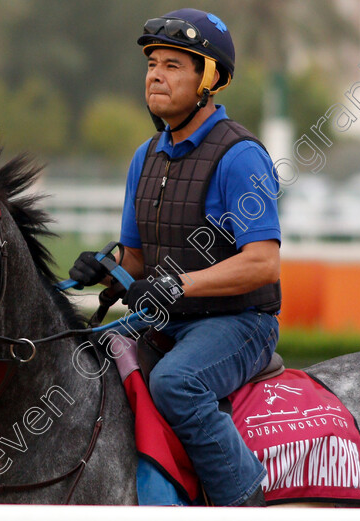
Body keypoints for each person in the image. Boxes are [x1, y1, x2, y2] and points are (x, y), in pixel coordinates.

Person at [68, 8, 281, 507]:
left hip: (240, 322)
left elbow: (262, 264)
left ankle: (245, 499)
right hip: (170, 320)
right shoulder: (145, 157)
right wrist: (105, 264)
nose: (156, 76)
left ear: (208, 79)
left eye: (173, 66)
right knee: (78, 359)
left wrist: (177, 286)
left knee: (176, 383)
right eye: (151, 65)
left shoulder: (241, 155)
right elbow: (137, 259)